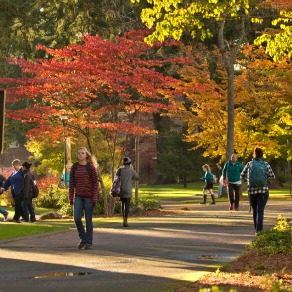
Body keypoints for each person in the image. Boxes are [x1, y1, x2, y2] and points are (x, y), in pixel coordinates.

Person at [68, 147, 99, 250]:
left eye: (82, 153)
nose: (80, 155)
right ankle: (83, 238)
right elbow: (72, 184)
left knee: (88, 220)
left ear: (86, 155)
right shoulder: (74, 167)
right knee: (76, 218)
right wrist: (70, 197)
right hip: (79, 197)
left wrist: (94, 198)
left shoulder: (90, 168)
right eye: (79, 153)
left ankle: (88, 242)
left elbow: (95, 184)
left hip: (89, 197)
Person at [241, 147, 275, 235]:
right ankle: (259, 230)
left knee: (255, 210)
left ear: (254, 154)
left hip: (252, 191)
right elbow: (272, 176)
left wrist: (248, 180)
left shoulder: (249, 164)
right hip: (263, 191)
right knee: (260, 210)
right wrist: (265, 180)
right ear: (262, 154)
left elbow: (242, 175)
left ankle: (256, 229)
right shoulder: (266, 164)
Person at [118, 157, 139, 227]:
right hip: (128, 189)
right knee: (127, 205)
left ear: (123, 163)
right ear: (130, 163)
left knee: (122, 204)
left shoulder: (120, 170)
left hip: (120, 189)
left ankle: (123, 219)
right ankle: (126, 220)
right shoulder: (131, 171)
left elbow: (116, 178)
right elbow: (137, 177)